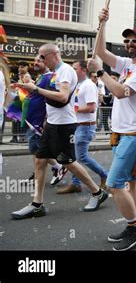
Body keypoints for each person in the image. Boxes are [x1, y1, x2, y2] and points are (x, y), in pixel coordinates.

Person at [10, 44, 109, 220]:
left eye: (43, 57)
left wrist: (36, 89)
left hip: (64, 125)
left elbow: (63, 97)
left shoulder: (65, 71)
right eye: (39, 57)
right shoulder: (56, 72)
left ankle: (97, 192)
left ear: (54, 54)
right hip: (52, 124)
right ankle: (37, 204)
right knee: (40, 161)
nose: (40, 60)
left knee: (68, 162)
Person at [88, 8, 136, 251]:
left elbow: (119, 92)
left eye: (134, 40)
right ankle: (133, 225)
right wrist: (102, 23)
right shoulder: (127, 64)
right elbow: (100, 52)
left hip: (135, 134)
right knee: (131, 183)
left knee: (114, 183)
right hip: (124, 132)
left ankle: (135, 226)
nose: (129, 44)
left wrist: (99, 73)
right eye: (126, 40)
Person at [56, 61, 109, 194]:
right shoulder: (78, 85)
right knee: (74, 157)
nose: (71, 71)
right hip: (77, 126)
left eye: (75, 69)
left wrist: (73, 110)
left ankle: (105, 175)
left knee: (82, 157)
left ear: (84, 70)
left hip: (85, 127)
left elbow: (91, 108)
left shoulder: (89, 85)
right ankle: (76, 183)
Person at [21, 55, 65, 186]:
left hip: (38, 122)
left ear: (47, 62)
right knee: (35, 149)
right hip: (32, 121)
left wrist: (46, 118)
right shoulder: (41, 77)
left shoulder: (49, 77)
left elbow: (50, 99)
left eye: (39, 61)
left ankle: (59, 166)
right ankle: (40, 175)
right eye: (35, 61)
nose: (35, 63)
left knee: (40, 150)